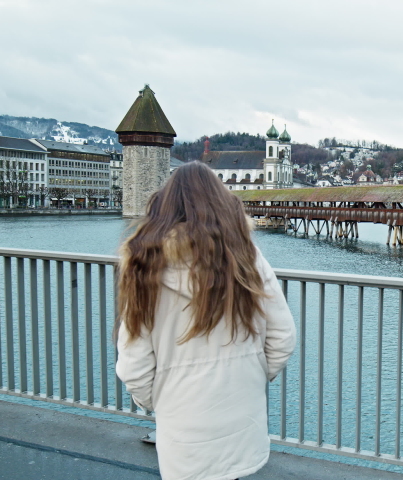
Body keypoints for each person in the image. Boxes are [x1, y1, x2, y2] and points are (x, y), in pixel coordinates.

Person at [115, 161, 296, 479]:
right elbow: (283, 337)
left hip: (182, 422)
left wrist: (160, 399)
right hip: (241, 415)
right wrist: (250, 374)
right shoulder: (247, 258)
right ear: (223, 205)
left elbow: (134, 363)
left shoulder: (143, 266)